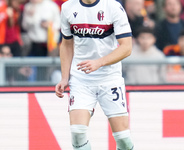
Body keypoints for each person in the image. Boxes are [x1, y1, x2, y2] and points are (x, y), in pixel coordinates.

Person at [55, 0, 134, 150]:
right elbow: (66, 43)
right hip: (81, 79)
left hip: (110, 79)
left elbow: (127, 47)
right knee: (77, 133)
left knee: (123, 139)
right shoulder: (67, 7)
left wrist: (100, 62)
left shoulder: (113, 7)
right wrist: (65, 77)